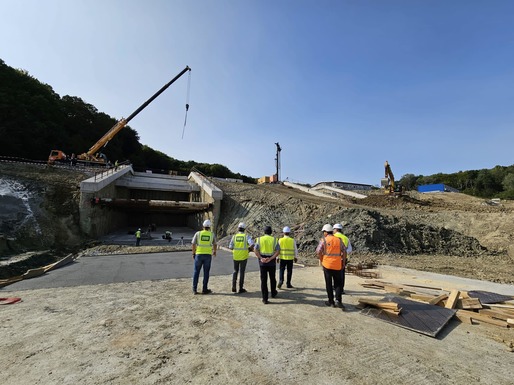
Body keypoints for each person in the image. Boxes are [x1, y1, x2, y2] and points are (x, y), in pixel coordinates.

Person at [316, 224, 346, 308]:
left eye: (323, 232)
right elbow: (344, 251)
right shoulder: (339, 240)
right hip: (337, 265)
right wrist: (343, 262)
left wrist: (321, 259)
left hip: (327, 265)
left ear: (325, 232)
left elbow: (318, 251)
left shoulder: (324, 240)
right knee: (338, 284)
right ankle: (338, 300)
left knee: (328, 284)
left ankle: (331, 301)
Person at [254, 226, 280, 304]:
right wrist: (271, 258)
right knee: (272, 278)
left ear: (264, 232)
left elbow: (255, 249)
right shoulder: (274, 240)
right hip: (271, 262)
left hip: (262, 262)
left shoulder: (259, 239)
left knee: (263, 280)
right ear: (271, 232)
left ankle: (265, 298)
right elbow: (278, 251)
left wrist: (261, 258)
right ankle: (273, 292)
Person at [191, 219, 217, 295]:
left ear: (203, 226)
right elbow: (215, 244)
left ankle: (194, 289)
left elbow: (193, 244)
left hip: (198, 255)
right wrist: (214, 251)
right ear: (209, 227)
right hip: (208, 255)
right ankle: (204, 289)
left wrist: (193, 253)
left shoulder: (198, 233)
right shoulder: (211, 234)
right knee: (206, 273)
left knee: (196, 272)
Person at [228, 222, 254, 294]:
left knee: (235, 270)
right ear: (244, 229)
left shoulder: (234, 236)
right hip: (244, 256)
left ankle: (233, 286)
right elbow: (252, 244)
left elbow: (230, 247)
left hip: (235, 256)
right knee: (242, 272)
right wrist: (248, 249)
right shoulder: (246, 236)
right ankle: (240, 288)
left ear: (238, 229)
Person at [333, 223, 352, 294]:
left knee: (333, 273)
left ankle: (334, 287)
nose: (333, 231)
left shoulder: (332, 237)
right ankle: (341, 289)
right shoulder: (346, 238)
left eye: (334, 229)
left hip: (334, 258)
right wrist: (344, 252)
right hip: (343, 259)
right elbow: (350, 249)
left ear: (336, 229)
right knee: (341, 274)